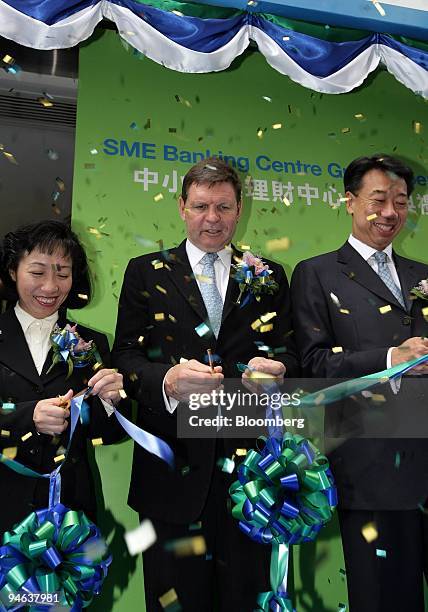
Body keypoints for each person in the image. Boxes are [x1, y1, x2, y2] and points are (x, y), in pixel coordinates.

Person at [112, 157, 299, 611]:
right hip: (171, 474)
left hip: (254, 478)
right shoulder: (146, 271)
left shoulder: (269, 275)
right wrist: (168, 381)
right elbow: (126, 360)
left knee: (248, 600)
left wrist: (278, 372)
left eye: (223, 207)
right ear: (181, 207)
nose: (211, 219)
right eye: (200, 206)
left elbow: (290, 354)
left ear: (239, 209)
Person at [290, 154, 428, 611]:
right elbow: (311, 364)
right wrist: (391, 358)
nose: (391, 212)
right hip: (368, 467)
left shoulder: (423, 276)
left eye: (402, 202)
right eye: (379, 200)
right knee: (381, 596)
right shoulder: (317, 273)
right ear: (349, 202)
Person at [0, 220, 127, 534]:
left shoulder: (92, 343)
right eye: (38, 272)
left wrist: (112, 402)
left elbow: (109, 434)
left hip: (69, 513)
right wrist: (28, 416)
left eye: (63, 273)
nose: (50, 286)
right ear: (14, 271)